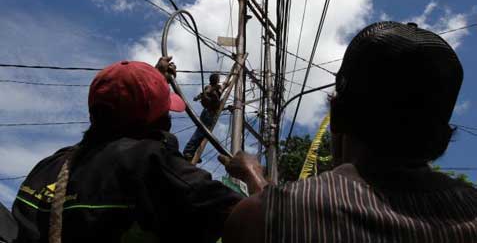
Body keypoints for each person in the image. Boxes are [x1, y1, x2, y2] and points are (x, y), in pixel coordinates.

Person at [220, 21, 477, 243]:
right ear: (443, 139)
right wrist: (255, 176)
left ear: (337, 116)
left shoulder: (256, 219)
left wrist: (253, 174)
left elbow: (277, 213)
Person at [12, 57, 242, 243]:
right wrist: (252, 174)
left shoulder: (45, 169)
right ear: (156, 121)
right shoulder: (150, 162)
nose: (169, 117)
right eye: (166, 111)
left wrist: (151, 80)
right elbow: (260, 219)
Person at [183, 73, 224, 161]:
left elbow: (203, 94)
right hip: (209, 112)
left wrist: (198, 97)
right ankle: (188, 151)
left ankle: (192, 153)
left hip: (208, 112)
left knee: (203, 134)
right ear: (216, 80)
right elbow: (208, 93)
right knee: (201, 132)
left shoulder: (212, 87)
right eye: (218, 79)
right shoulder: (212, 88)